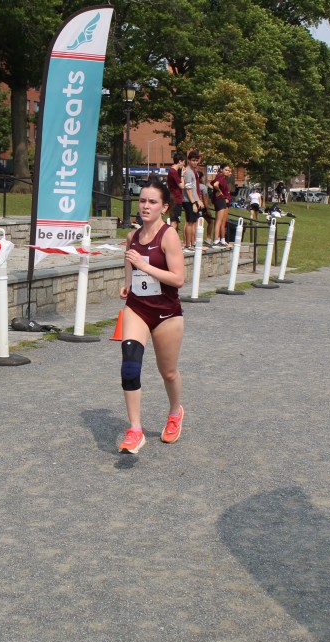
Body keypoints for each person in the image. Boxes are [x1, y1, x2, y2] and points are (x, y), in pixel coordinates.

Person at [118, 176, 186, 454]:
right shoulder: (132, 237)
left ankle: (175, 412)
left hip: (167, 313)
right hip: (137, 308)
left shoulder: (168, 236)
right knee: (130, 366)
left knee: (167, 372)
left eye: (152, 202)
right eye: (142, 200)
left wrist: (145, 268)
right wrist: (127, 284)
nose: (145, 206)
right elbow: (130, 264)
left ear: (164, 207)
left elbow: (178, 279)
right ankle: (135, 430)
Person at [181, 150, 203, 253]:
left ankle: (193, 243)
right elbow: (188, 189)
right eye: (193, 160)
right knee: (189, 223)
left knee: (194, 222)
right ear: (189, 160)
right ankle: (187, 245)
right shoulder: (188, 172)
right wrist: (193, 203)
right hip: (188, 201)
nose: (195, 162)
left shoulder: (194, 171)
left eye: (196, 160)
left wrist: (198, 200)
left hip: (194, 200)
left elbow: (194, 189)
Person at [210, 164, 232, 246]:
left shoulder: (222, 178)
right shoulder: (221, 176)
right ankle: (216, 239)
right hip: (220, 200)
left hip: (219, 200)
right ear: (221, 170)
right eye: (226, 170)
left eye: (228, 170)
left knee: (219, 221)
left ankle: (220, 239)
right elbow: (215, 184)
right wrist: (219, 191)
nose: (227, 172)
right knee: (219, 220)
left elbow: (211, 184)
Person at [166, 152, 185, 235]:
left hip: (175, 199)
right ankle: (171, 239)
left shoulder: (173, 171)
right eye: (183, 162)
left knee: (175, 221)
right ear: (180, 161)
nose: (183, 165)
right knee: (174, 222)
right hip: (176, 200)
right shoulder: (173, 172)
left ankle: (174, 239)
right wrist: (182, 175)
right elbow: (182, 186)